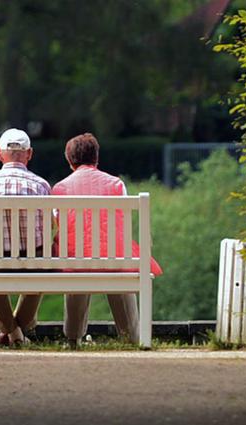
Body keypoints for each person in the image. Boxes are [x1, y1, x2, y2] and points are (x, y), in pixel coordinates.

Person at [51, 133, 163, 349]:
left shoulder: (60, 188)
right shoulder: (116, 184)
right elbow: (121, 220)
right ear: (96, 158)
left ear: (69, 160)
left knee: (76, 257)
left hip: (76, 260)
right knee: (120, 257)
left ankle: (73, 338)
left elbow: (59, 222)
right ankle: (131, 335)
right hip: (113, 259)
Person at [0, 128, 51, 346]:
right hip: (32, 262)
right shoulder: (41, 185)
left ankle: (10, 331)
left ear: (0, 154)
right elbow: (49, 226)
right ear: (29, 154)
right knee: (43, 264)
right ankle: (17, 333)